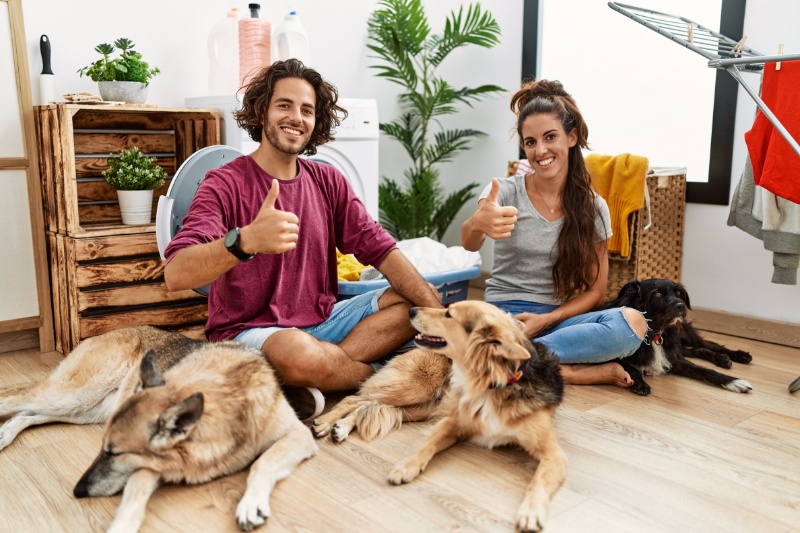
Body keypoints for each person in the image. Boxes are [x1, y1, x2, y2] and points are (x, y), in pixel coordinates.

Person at [164, 59, 441, 418]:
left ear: (315, 121)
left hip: (324, 319)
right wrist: (244, 241)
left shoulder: (328, 180)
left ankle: (322, 376)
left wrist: (442, 315)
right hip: (248, 332)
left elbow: (381, 249)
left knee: (415, 306)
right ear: (262, 110)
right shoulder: (224, 183)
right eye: (284, 105)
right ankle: (380, 377)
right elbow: (176, 274)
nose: (296, 117)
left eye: (306, 110)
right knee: (298, 351)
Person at [461, 79, 647, 388]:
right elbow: (469, 242)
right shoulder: (503, 191)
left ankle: (514, 361)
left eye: (550, 137)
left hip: (558, 321)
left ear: (571, 137)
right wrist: (479, 222)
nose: (540, 150)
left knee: (632, 324)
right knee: (480, 334)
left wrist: (548, 320)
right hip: (502, 316)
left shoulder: (593, 207)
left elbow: (595, 292)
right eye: (530, 142)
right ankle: (565, 370)